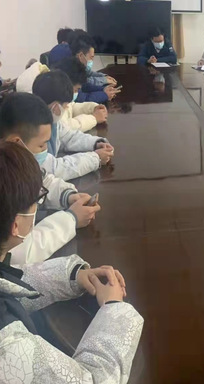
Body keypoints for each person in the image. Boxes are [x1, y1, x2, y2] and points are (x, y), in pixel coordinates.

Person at [0, 141, 144, 382]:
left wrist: (72, 276)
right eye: (38, 199)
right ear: (16, 225)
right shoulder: (7, 344)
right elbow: (94, 379)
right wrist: (114, 309)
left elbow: (7, 282)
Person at [0, 95, 100, 264]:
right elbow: (16, 252)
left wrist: (67, 196)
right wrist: (71, 219)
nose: (46, 150)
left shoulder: (12, 161)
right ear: (16, 142)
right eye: (41, 145)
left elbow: (41, 180)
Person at [32, 72, 114, 181]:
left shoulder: (50, 120)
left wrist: (96, 143)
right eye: (66, 106)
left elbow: (68, 136)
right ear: (56, 107)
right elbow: (54, 169)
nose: (66, 109)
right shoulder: (31, 130)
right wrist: (96, 158)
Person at [53, 57, 108, 131]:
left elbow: (72, 107)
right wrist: (94, 118)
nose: (76, 93)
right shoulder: (53, 104)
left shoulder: (61, 95)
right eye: (76, 89)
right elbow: (66, 128)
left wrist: (93, 108)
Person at [70, 33, 120, 103]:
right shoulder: (70, 72)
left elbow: (85, 86)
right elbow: (83, 99)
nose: (92, 61)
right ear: (81, 55)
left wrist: (103, 89)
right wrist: (105, 95)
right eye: (91, 57)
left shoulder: (77, 66)